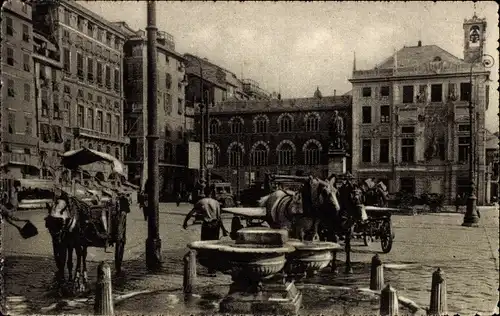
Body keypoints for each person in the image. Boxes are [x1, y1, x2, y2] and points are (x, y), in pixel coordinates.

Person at [182, 197, 229, 276]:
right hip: (215, 225)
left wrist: (185, 222)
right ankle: (213, 268)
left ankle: (209, 267)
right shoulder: (216, 202)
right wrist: (223, 230)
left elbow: (191, 213)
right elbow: (219, 218)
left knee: (205, 246)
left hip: (207, 226)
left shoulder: (200, 202)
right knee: (214, 246)